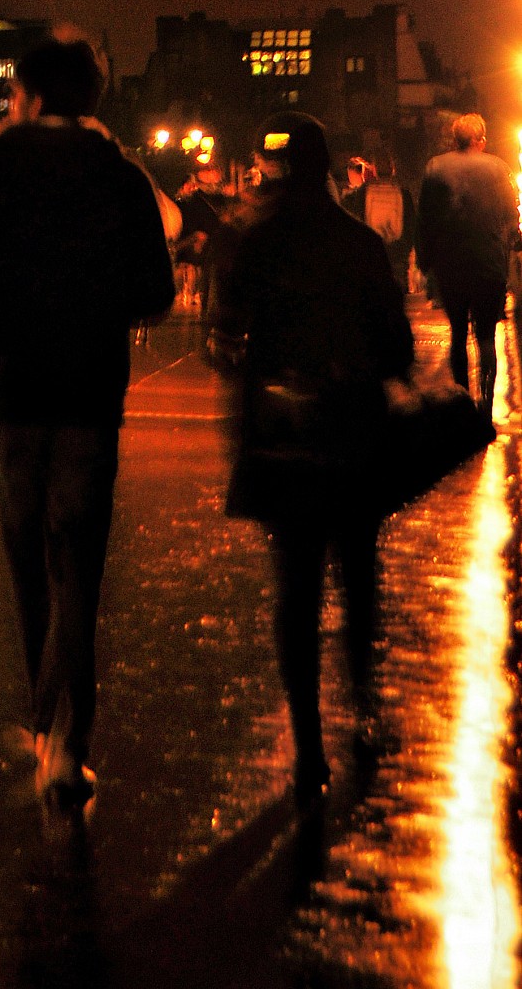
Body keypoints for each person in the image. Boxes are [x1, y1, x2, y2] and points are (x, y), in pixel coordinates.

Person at [0, 30, 174, 805]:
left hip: (16, 393)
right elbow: (156, 293)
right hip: (90, 394)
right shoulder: (121, 176)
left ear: (28, 97)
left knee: (28, 562)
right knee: (80, 567)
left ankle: (42, 727)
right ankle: (70, 737)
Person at [219, 114, 414, 809]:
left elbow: (225, 336)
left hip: (282, 435)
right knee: (358, 575)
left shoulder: (256, 242)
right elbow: (397, 349)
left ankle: (308, 747)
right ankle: (364, 711)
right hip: (352, 430)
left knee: (296, 589)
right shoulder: (360, 244)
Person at [416, 112, 517, 429]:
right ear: (480, 140)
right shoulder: (498, 168)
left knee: (458, 334)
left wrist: (424, 260)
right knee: (486, 337)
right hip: (488, 265)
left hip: (451, 267)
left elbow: (425, 218)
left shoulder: (435, 167)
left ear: (455, 139)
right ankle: (485, 406)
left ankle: (463, 401)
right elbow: (511, 214)